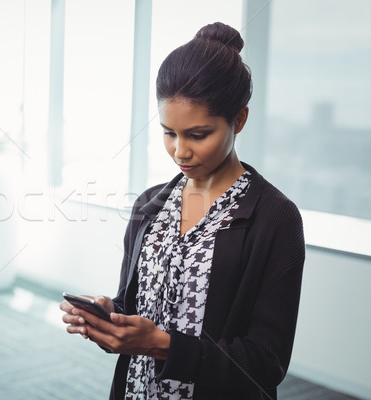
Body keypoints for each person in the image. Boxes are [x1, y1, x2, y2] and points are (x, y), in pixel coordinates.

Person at [60, 22, 305, 400]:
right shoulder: (150, 205)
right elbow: (138, 304)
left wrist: (164, 346)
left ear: (239, 119)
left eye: (198, 134)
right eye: (168, 133)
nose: (180, 152)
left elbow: (266, 362)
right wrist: (111, 315)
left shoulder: (274, 218)